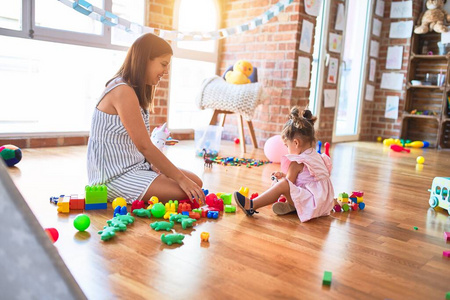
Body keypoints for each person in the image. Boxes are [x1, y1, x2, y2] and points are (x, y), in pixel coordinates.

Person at [87, 33, 205, 205]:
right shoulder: (122, 91)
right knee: (186, 187)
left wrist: (162, 169)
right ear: (144, 60)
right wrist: (179, 179)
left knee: (195, 181)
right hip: (114, 178)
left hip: (135, 168)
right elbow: (144, 145)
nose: (165, 72)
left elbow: (139, 145)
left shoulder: (132, 90)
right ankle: (117, 192)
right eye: (163, 64)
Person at [234, 107, 334, 222]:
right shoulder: (316, 156)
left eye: (287, 146)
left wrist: (282, 180)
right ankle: (293, 206)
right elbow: (306, 178)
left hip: (312, 205)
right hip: (324, 204)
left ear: (296, 143)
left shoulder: (297, 162)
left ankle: (252, 205)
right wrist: (283, 175)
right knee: (285, 182)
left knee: (283, 185)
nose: (287, 149)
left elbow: (287, 184)